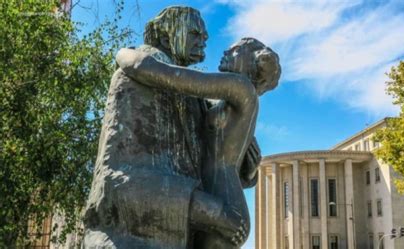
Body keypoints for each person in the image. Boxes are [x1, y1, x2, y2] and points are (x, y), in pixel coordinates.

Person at [83, 7, 258, 248]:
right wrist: (208, 210)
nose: (204, 40)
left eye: (205, 36)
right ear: (166, 38)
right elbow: (116, 183)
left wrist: (246, 165)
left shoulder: (193, 96)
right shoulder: (132, 80)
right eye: (195, 34)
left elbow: (208, 160)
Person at [116, 37, 281, 248]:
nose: (225, 52)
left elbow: (160, 74)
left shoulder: (240, 86)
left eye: (235, 50)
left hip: (224, 206)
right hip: (218, 199)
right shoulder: (230, 103)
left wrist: (123, 53)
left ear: (251, 61)